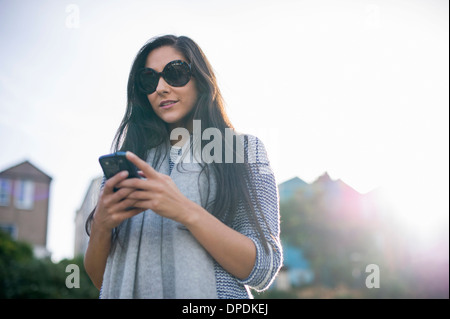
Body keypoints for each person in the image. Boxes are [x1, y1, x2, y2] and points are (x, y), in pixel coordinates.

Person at [84, 34, 282, 299]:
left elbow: (264, 269)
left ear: (201, 80)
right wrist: (101, 226)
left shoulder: (245, 150)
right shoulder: (133, 163)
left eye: (175, 73)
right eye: (149, 80)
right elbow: (102, 281)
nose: (161, 88)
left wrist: (184, 210)